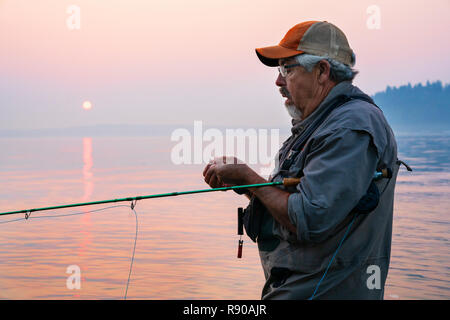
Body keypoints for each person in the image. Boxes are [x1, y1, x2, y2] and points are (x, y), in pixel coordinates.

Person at [202, 21, 399, 299]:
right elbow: (293, 205)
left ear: (321, 71)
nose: (278, 81)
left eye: (287, 69)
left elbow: (310, 217)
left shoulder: (349, 127)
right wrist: (246, 187)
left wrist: (250, 178)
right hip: (297, 287)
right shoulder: (319, 124)